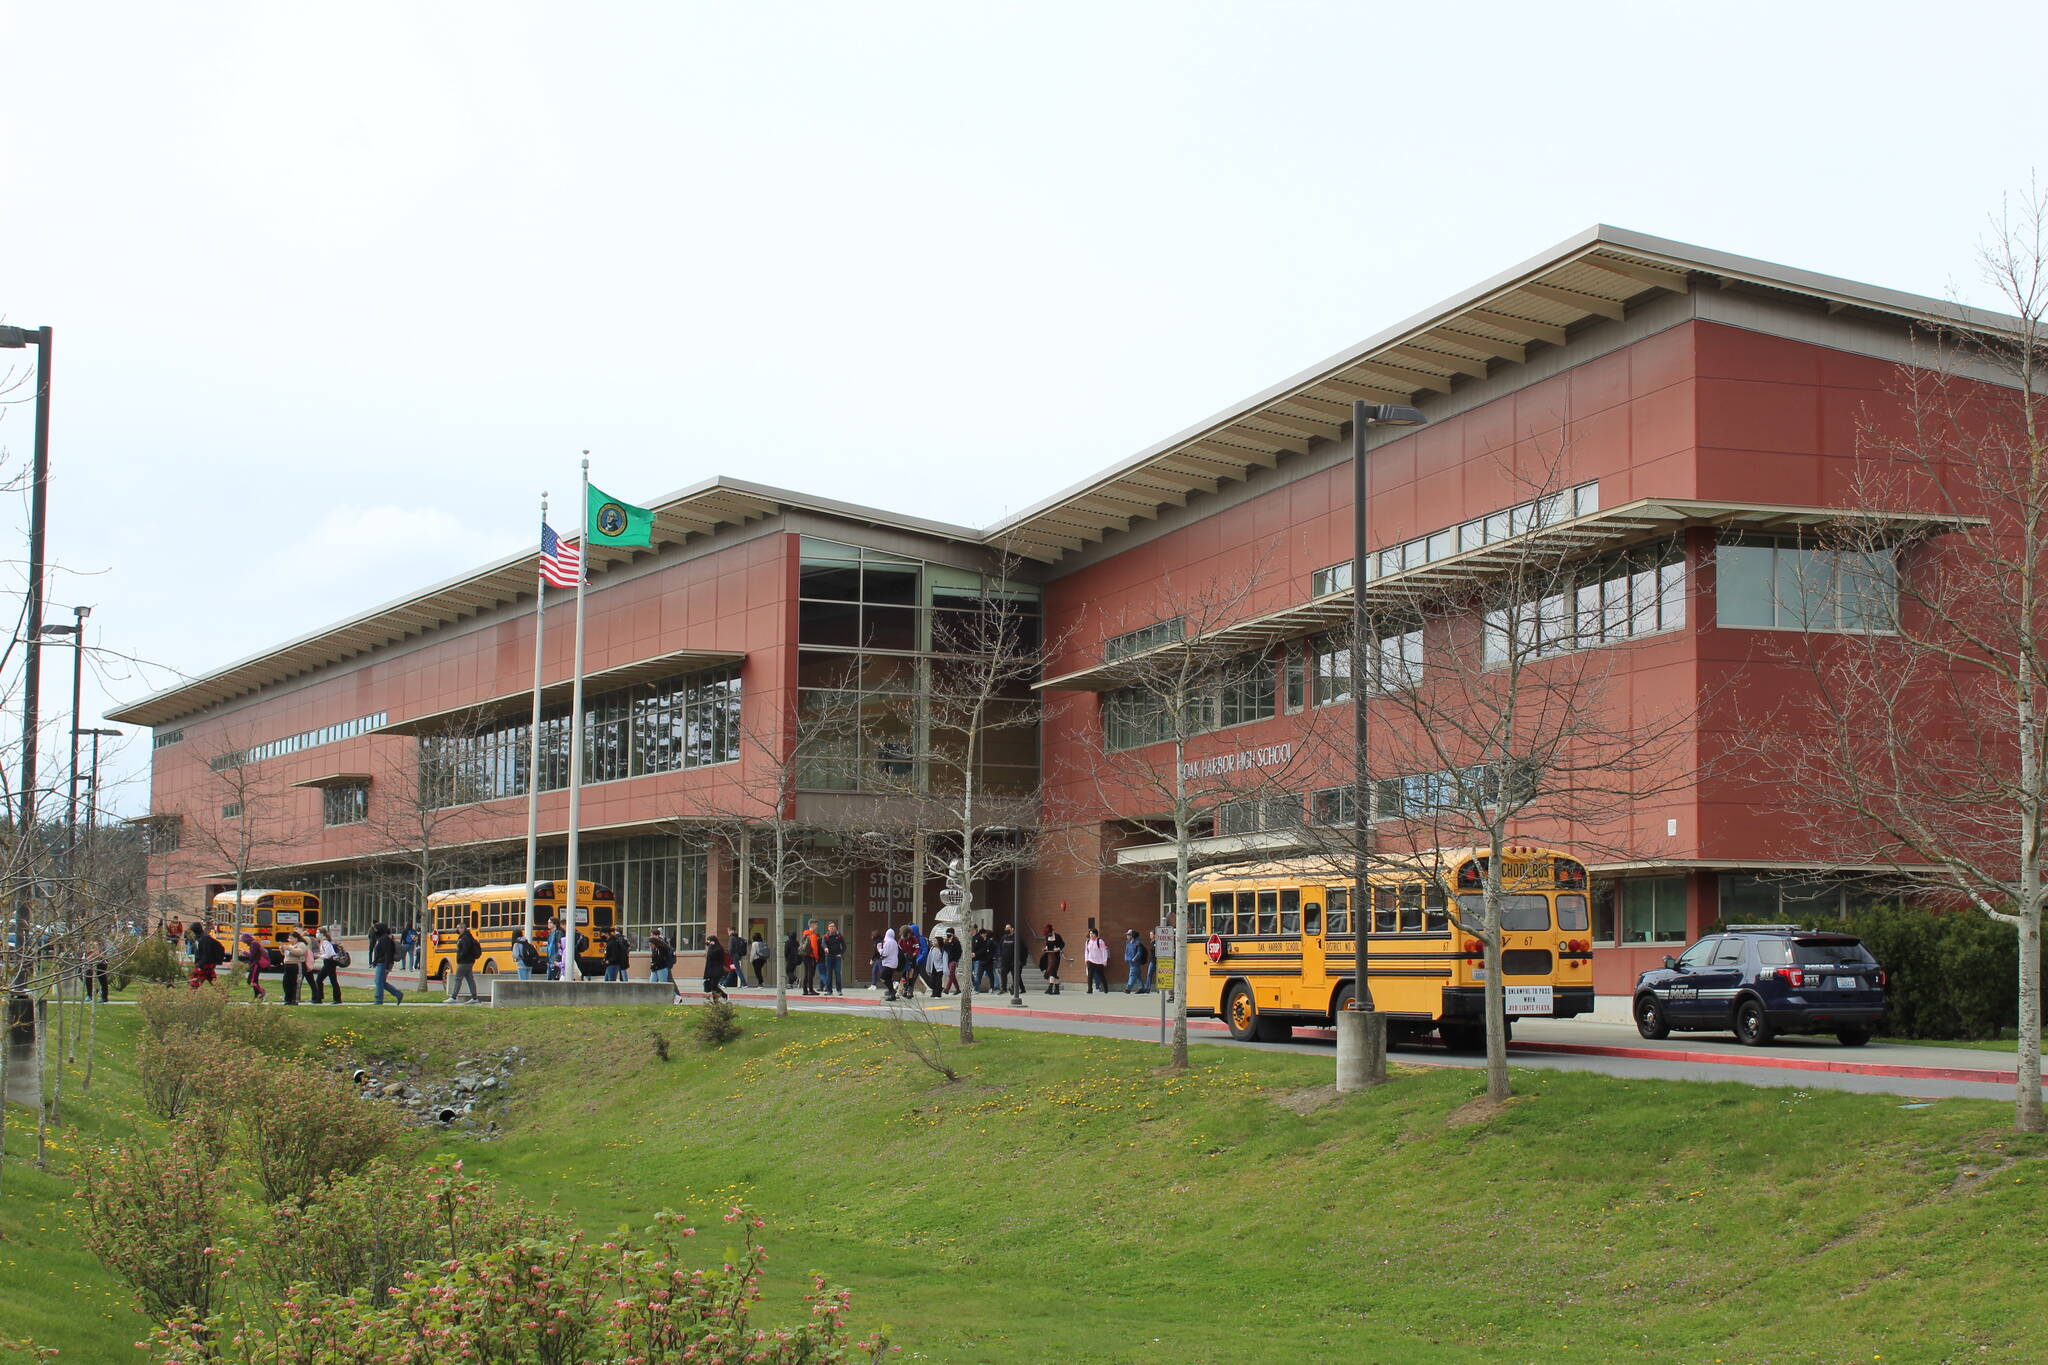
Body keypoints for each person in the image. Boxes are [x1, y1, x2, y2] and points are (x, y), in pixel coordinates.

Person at [369, 922, 406, 1005]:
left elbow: (388, 953)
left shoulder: (384, 939)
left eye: (376, 929)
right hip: (380, 963)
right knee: (381, 982)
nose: (375, 931)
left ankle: (378, 1000)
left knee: (379, 982)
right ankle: (398, 994)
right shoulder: (381, 938)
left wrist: (387, 966)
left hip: (383, 963)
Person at [448, 924, 485, 1003]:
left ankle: (453, 997)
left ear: (462, 929)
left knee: (458, 978)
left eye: (458, 928)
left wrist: (460, 957)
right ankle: (474, 998)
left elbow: (465, 950)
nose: (457, 930)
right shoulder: (468, 937)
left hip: (464, 962)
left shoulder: (464, 938)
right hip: (469, 961)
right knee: (470, 979)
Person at [189, 923, 225, 988]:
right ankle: (223, 995)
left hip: (205, 964)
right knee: (213, 980)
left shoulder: (204, 939)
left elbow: (206, 954)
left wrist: (199, 965)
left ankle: (191, 995)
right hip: (207, 964)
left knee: (195, 979)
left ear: (195, 930)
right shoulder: (199, 938)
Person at [700, 932, 729, 1002]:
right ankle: (716, 1001)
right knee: (713, 986)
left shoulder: (718, 948)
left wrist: (710, 947)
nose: (707, 942)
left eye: (709, 941)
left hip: (717, 970)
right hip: (711, 971)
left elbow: (711, 956)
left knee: (714, 986)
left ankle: (723, 996)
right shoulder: (712, 948)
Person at [280, 931, 307, 1005]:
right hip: (287, 965)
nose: (289, 940)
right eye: (289, 938)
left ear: (296, 938)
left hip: (295, 965)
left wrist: (289, 948)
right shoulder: (290, 945)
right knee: (286, 982)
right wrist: (282, 949)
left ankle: (294, 999)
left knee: (294, 982)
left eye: (291, 938)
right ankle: (287, 999)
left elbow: (299, 952)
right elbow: (285, 954)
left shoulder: (301, 944)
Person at [240, 932, 269, 1001]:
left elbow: (252, 956)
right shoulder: (254, 943)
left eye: (244, 941)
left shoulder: (253, 944)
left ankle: (262, 992)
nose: (244, 942)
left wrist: (244, 953)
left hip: (256, 964)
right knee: (255, 981)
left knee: (251, 981)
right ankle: (257, 996)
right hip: (255, 964)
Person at [1040, 923, 1066, 995]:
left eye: (1050, 933)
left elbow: (1063, 944)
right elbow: (1047, 945)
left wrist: (1058, 948)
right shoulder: (1047, 937)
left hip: (1056, 956)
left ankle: (1050, 988)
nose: (1049, 935)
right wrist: (1045, 948)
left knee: (1052, 971)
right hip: (1049, 956)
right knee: (1053, 972)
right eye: (1048, 934)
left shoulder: (1057, 936)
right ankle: (1057, 988)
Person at [821, 921, 846, 995]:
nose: (832, 928)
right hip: (829, 957)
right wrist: (825, 948)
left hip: (837, 957)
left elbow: (844, 946)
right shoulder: (826, 936)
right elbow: (823, 944)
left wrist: (841, 953)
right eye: (830, 926)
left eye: (833, 926)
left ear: (835, 928)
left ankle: (839, 990)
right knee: (829, 974)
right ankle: (829, 991)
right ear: (828, 928)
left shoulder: (839, 936)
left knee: (838, 973)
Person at [878, 927, 900, 1001]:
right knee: (888, 978)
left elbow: (885, 953)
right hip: (894, 963)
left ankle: (892, 991)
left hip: (888, 963)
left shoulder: (888, 942)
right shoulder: (894, 942)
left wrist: (880, 949)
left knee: (882, 977)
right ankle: (892, 994)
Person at [971, 928, 996, 993]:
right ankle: (977, 988)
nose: (982, 935)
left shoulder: (990, 941)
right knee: (979, 975)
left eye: (983, 934)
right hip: (982, 960)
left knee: (991, 975)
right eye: (981, 934)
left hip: (989, 961)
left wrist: (992, 957)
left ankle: (992, 987)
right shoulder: (980, 940)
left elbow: (991, 951)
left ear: (985, 934)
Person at [997, 924, 1019, 994]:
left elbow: (1020, 949)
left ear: (1012, 929)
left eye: (1008, 928)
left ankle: (1013, 988)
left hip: (1013, 960)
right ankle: (1004, 989)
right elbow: (999, 947)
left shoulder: (1016, 938)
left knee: (1015, 975)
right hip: (1004, 961)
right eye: (1005, 928)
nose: (1006, 929)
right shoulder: (1004, 937)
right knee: (1003, 974)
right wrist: (1000, 955)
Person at [800, 923, 821, 995]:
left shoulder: (805, 934)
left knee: (806, 973)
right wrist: (816, 957)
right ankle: (811, 990)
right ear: (812, 925)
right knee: (811, 973)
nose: (817, 926)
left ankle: (805, 990)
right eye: (816, 925)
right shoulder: (813, 935)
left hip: (805, 955)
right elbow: (814, 947)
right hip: (811, 956)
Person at [1124, 928, 1147, 993]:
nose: (1127, 936)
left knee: (1132, 974)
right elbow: (1126, 951)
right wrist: (1125, 957)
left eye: (1128, 935)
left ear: (1132, 936)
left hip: (1135, 962)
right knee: (1137, 975)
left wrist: (1134, 958)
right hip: (1130, 961)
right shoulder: (1128, 942)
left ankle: (1128, 988)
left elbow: (1139, 952)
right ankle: (1142, 988)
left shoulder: (1137, 943)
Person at [942, 929, 963, 994]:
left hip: (954, 960)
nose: (948, 935)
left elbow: (959, 951)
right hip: (949, 960)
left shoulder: (956, 941)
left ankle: (947, 988)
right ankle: (958, 989)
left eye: (949, 933)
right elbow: (945, 948)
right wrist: (947, 941)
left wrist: (957, 960)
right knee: (952, 975)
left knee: (951, 973)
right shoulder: (947, 941)